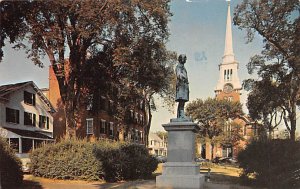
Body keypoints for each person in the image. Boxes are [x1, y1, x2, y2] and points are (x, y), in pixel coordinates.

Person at [175, 54, 189, 119]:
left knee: (183, 102)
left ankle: (180, 115)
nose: (185, 60)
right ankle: (181, 115)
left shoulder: (183, 68)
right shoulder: (178, 66)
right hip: (181, 86)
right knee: (181, 101)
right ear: (181, 59)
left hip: (184, 86)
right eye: (184, 58)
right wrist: (184, 77)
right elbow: (178, 74)